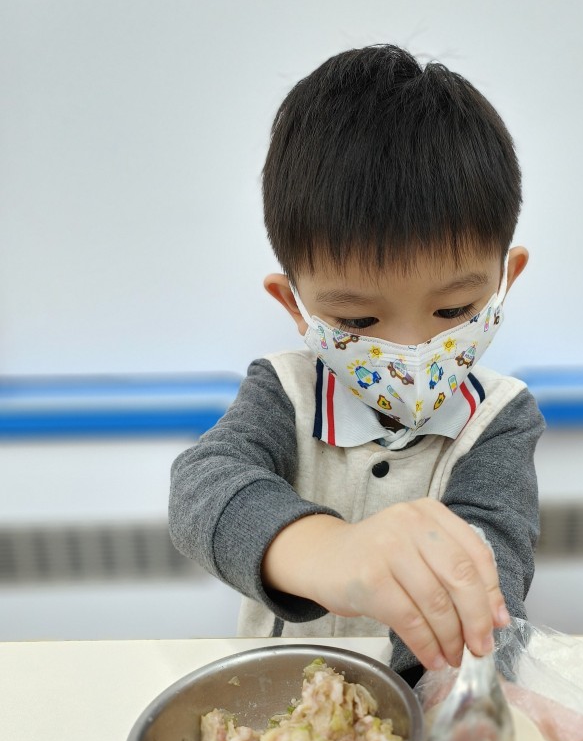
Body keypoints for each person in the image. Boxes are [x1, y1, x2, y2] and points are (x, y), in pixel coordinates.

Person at [169, 44, 545, 688]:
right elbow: (202, 488)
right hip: (277, 701)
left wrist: (458, 694)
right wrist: (331, 550)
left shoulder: (499, 421)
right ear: (295, 305)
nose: (411, 350)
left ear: (505, 280)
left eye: (454, 309)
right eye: (358, 321)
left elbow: (492, 565)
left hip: (419, 702)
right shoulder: (286, 393)